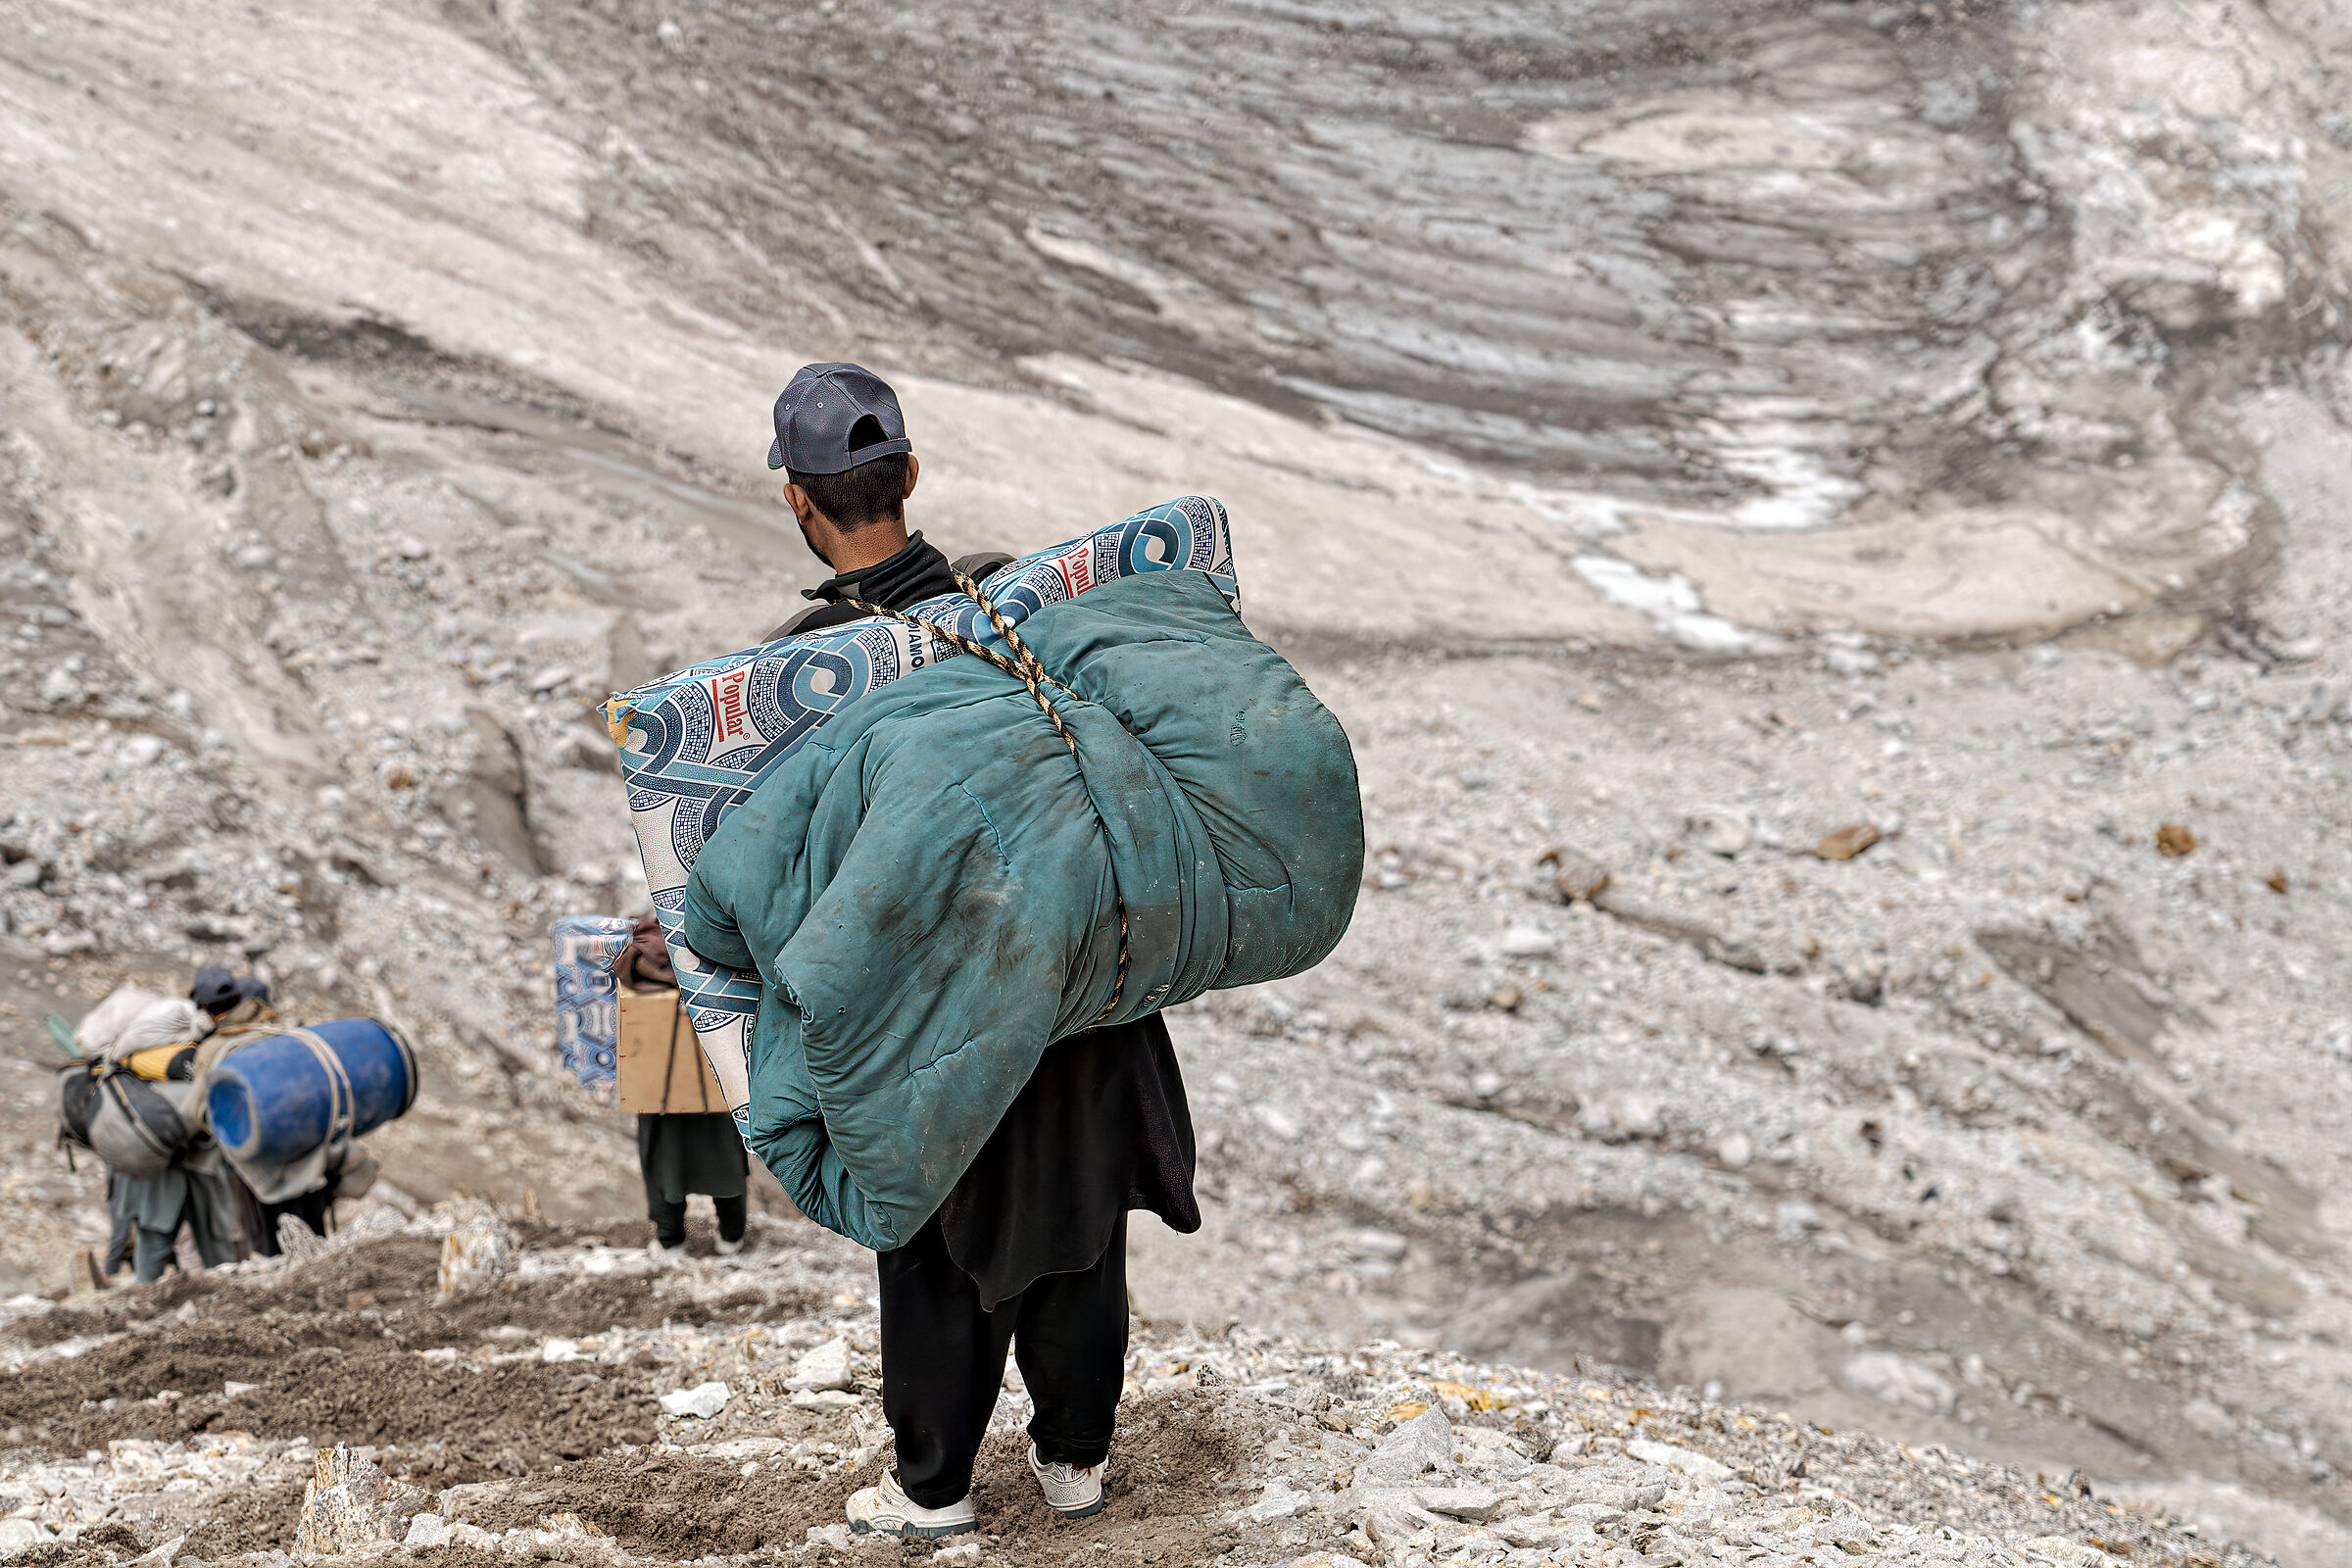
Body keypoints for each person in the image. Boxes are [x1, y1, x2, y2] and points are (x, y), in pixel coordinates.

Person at [761, 364, 1199, 1538]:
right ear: (908, 474)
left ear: (799, 502)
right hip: (1074, 989)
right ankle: (1075, 1461)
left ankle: (935, 1488)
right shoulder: (1017, 600)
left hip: (930, 1020)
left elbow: (788, 883)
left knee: (932, 1239)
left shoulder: (793, 673)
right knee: (1079, 1212)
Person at [116, 965, 270, 1282]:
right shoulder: (201, 1044)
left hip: (169, 1154)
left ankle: (149, 1301)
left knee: (160, 1237)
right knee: (210, 1237)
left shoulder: (188, 1042)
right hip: (190, 1157)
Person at [618, 917, 751, 1255]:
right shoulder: (717, 943)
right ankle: (732, 1236)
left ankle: (670, 1238)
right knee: (724, 1156)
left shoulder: (634, 965)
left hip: (658, 1091)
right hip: (716, 1084)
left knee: (663, 1163)